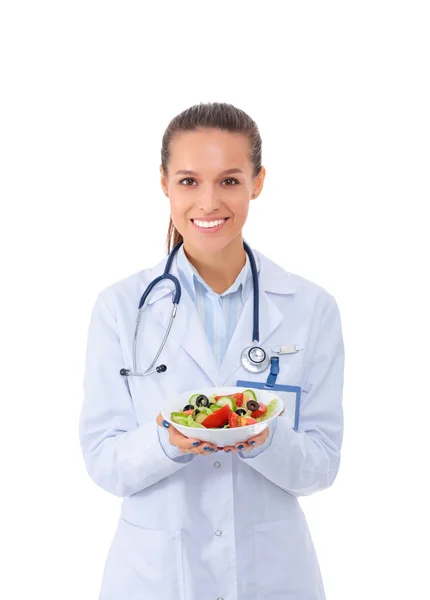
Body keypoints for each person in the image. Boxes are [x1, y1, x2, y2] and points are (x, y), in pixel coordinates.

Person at [79, 101, 345, 600]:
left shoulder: (311, 308)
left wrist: (265, 438)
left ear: (257, 182)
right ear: (163, 183)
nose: (208, 203)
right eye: (188, 181)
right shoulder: (120, 308)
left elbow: (321, 465)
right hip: (156, 576)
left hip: (273, 574)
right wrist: (165, 442)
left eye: (228, 180)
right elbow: (102, 459)